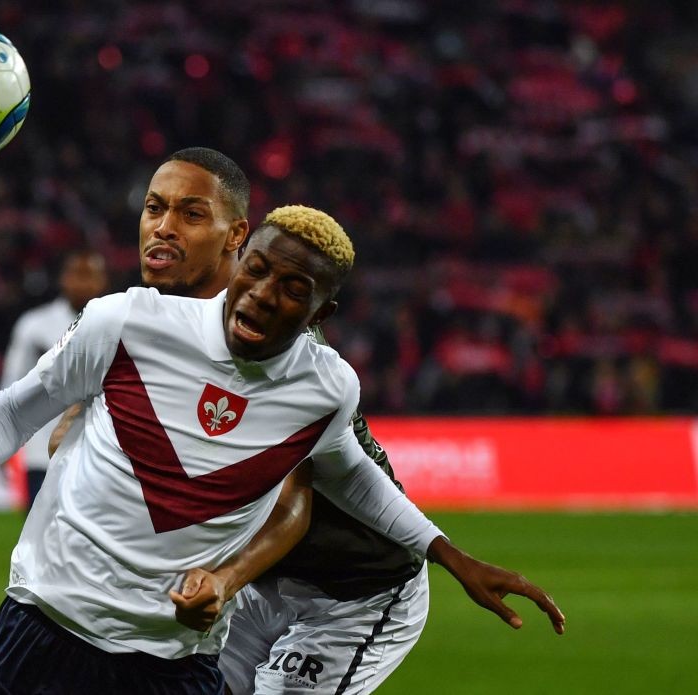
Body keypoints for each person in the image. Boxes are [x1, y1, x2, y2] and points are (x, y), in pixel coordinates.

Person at [0, 203, 563, 694]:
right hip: (214, 598)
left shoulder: (322, 388)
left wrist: (446, 553)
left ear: (321, 314)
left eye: (293, 291)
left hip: (356, 593)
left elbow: (336, 482)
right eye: (255, 271)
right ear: (237, 256)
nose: (261, 297)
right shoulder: (136, 319)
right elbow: (24, 400)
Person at [54, 148, 563, 694]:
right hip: (263, 583)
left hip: (355, 593)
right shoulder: (162, 324)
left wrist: (224, 580)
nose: (165, 231)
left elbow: (293, 504)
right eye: (157, 211)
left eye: (190, 216)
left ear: (234, 238)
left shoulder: (279, 353)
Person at [0, 250, 107, 506]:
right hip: (42, 453)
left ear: (103, 281)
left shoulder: (119, 324)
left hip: (100, 454)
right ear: (63, 279)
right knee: (40, 541)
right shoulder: (34, 326)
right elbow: (11, 385)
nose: (84, 283)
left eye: (90, 275)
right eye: (77, 275)